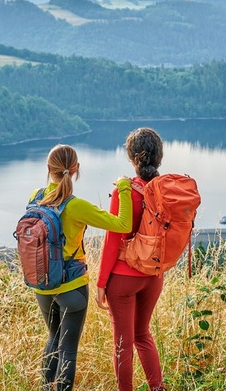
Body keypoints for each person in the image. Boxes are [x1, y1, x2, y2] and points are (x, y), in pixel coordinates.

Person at [30, 144, 133, 391]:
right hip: (72, 288)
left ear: (48, 168)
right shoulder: (76, 206)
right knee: (68, 351)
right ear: (75, 169)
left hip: (42, 284)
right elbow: (123, 224)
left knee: (53, 339)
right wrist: (124, 186)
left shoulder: (35, 196)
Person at [96, 127, 166, 391]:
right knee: (143, 335)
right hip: (153, 275)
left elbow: (113, 239)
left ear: (132, 158)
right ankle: (157, 388)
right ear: (158, 157)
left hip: (124, 279)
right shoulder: (164, 191)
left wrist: (102, 282)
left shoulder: (126, 192)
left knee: (123, 345)